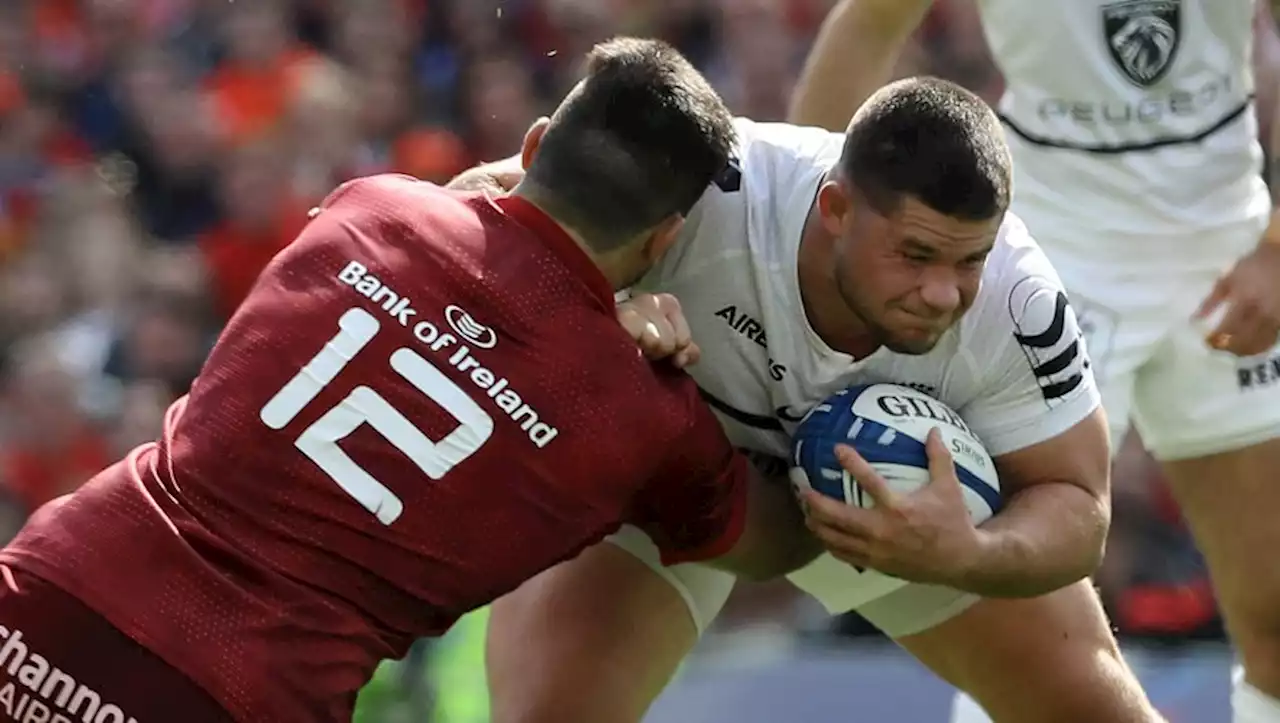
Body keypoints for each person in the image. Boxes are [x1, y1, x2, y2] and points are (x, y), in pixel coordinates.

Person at [0, 38, 820, 723]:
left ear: (533, 146)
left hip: (52, 586)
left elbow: (457, 242)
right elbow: (774, 542)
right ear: (665, 237)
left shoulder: (373, 207)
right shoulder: (639, 410)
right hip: (237, 691)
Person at [459, 77, 1164, 722]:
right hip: (672, 466)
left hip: (901, 513)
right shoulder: (710, 184)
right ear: (835, 207)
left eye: (969, 260)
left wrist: (968, 552)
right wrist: (592, 318)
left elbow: (1079, 503)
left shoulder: (1020, 303)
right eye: (916, 255)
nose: (945, 293)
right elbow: (465, 220)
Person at [790, 1, 1280, 722]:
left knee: (1276, 613)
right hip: (1053, 264)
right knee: (1029, 630)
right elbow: (868, 24)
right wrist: (812, 244)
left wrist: (1276, 250)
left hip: (1227, 254)